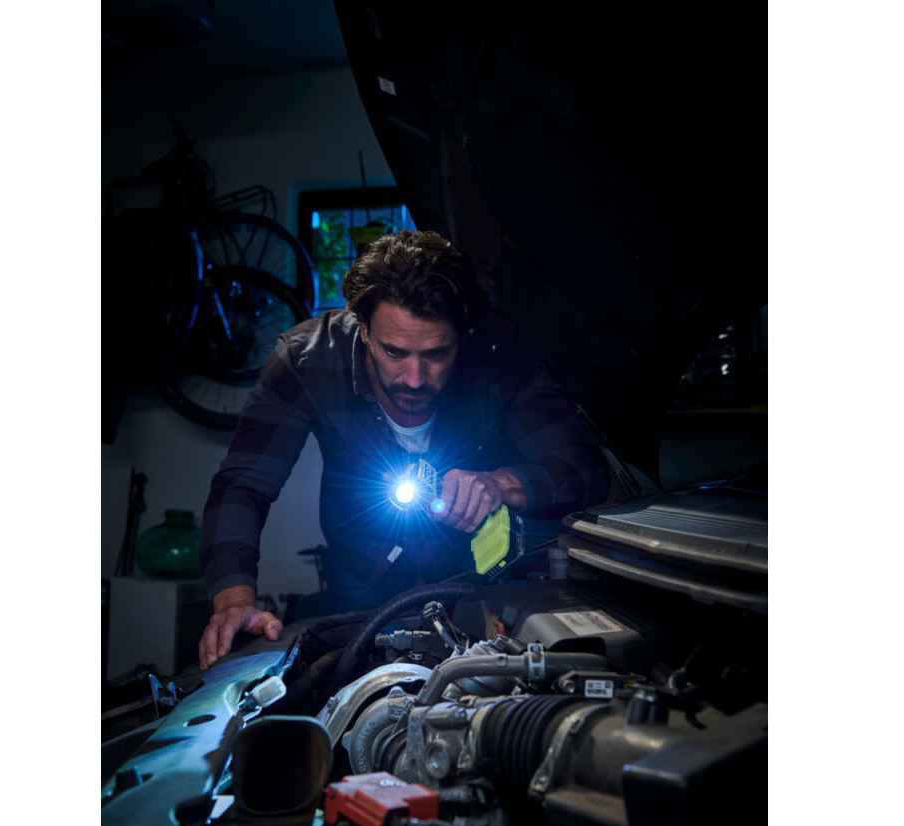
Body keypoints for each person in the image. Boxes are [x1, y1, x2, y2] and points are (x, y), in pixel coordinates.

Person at [198, 230, 611, 670]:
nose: (414, 379)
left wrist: (502, 483)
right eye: (394, 352)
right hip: (360, 564)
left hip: (474, 570)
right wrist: (233, 599)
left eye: (436, 354)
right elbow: (244, 484)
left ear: (463, 335)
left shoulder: (500, 353)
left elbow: (585, 469)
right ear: (362, 328)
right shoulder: (307, 361)